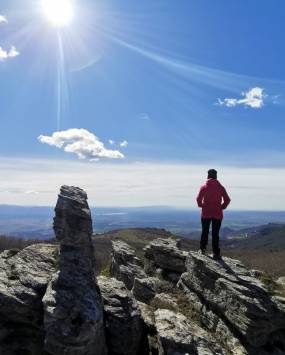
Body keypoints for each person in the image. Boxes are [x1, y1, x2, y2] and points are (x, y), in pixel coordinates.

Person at [196, 169, 231, 260]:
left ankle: (202, 249)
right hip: (217, 213)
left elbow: (198, 199)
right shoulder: (221, 187)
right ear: (216, 176)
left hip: (206, 213)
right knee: (215, 234)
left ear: (208, 176)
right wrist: (222, 207)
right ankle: (216, 253)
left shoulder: (204, 187)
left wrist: (202, 206)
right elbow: (227, 199)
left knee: (205, 231)